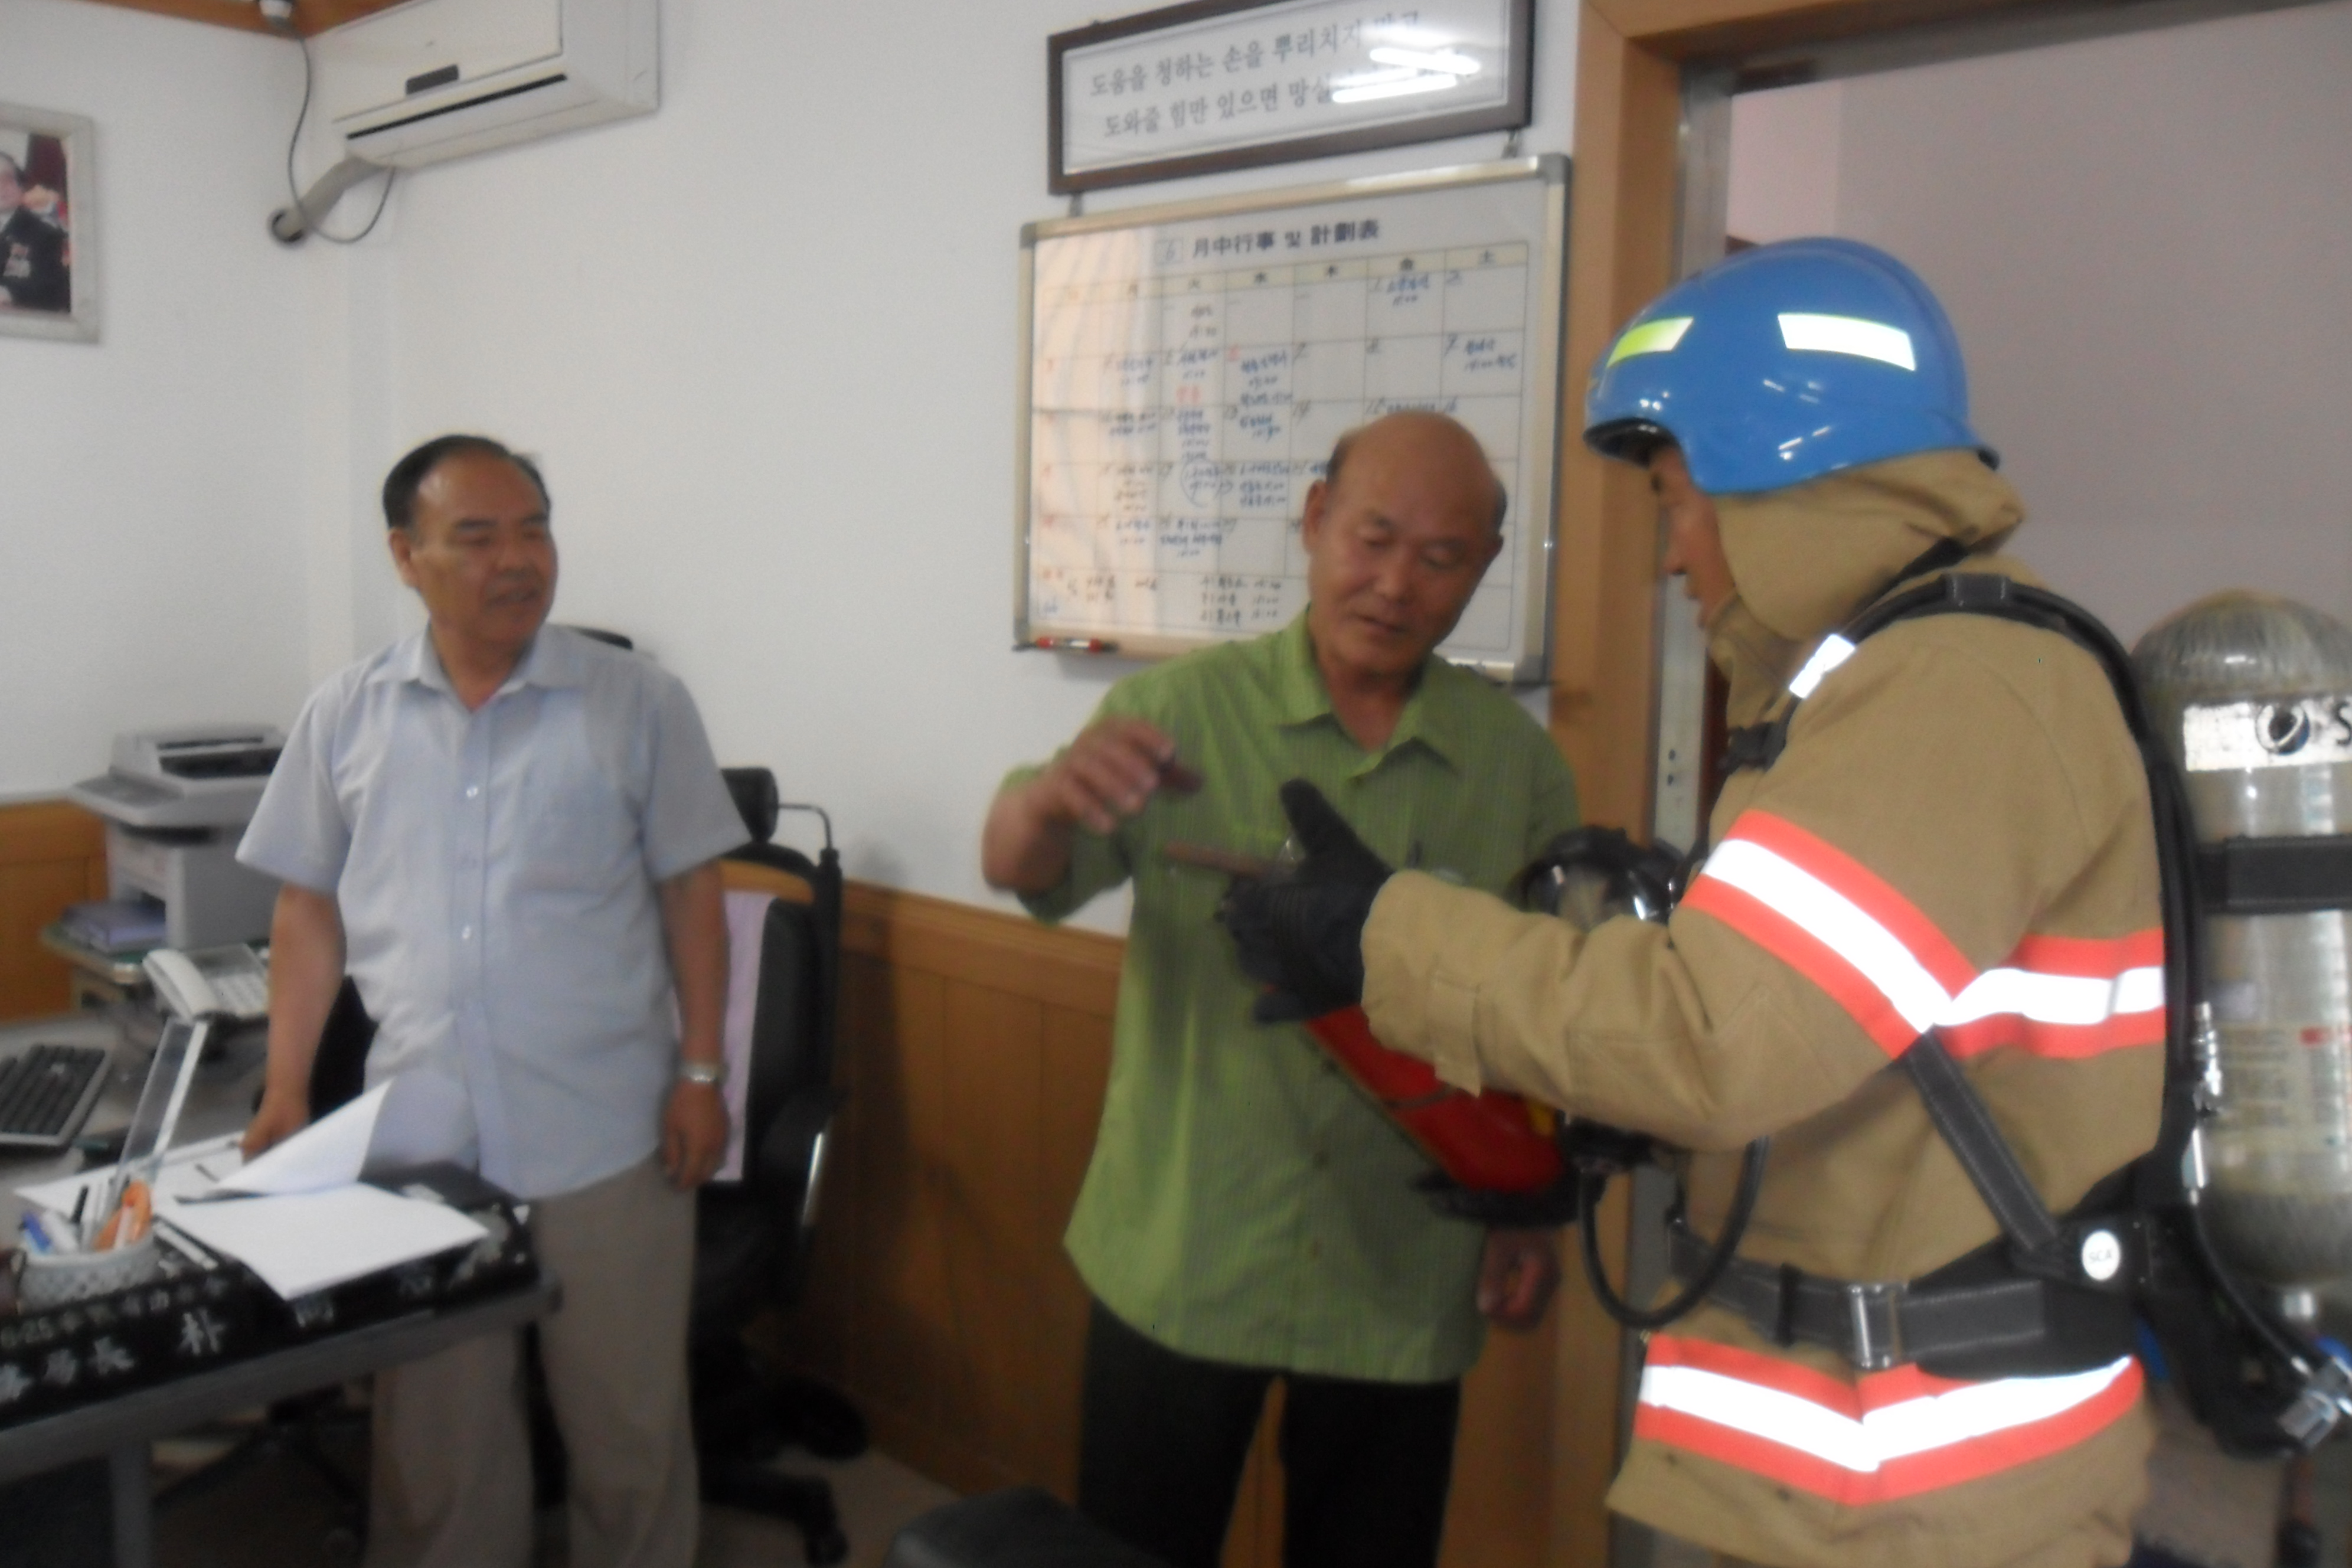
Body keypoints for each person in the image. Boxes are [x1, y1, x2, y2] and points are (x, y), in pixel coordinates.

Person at [1224, 240, 2165, 1568]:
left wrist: (1383, 930)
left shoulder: (1956, 689)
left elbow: (1716, 1038)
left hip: (1925, 1493)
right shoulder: (1880, 689)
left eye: (1674, 501)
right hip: (1857, 1472)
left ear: (1769, 474)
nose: (1672, 557)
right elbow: (1817, 1040)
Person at [981, 410, 1582, 1568]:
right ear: (1314, 521)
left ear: (1483, 569)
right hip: (1186, 1246)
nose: (1395, 584)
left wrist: (1528, 1208)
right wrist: (1043, 800)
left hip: (1397, 1265)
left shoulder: (1517, 769)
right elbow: (1019, 866)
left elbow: (1540, 1020)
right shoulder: (1178, 711)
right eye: (1372, 539)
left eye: (1439, 558)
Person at [237, 435, 748, 1568]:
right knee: (438, 1450)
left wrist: (703, 1073)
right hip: (425, 1141)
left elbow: (692, 896)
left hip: (607, 1130)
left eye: (534, 531)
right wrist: (283, 1089)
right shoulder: (347, 715)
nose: (517, 560)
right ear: (404, 556)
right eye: (476, 537)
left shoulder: (637, 704)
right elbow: (308, 910)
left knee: (627, 1432)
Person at [0, 153, 68, 313]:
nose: (1, 187)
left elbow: (54, 291)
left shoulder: (45, 235)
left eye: (8, 180)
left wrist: (9, 294)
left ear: (21, 186)